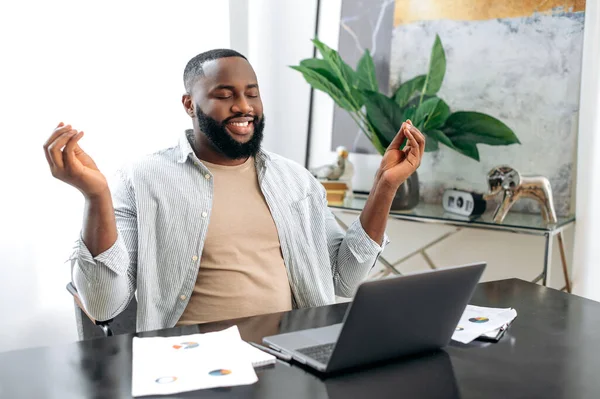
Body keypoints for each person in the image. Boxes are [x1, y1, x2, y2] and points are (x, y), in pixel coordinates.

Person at [43, 49, 425, 332]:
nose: (244, 107)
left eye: (252, 93)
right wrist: (95, 197)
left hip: (290, 351)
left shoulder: (296, 179)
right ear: (190, 104)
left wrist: (384, 187)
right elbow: (103, 305)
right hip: (191, 362)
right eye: (224, 95)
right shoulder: (139, 179)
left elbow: (346, 278)